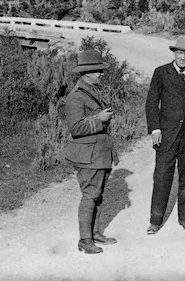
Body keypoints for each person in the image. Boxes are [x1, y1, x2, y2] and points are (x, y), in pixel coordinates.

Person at [145, 35, 185, 234]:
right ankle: (155, 221)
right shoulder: (161, 72)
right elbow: (151, 103)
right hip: (166, 135)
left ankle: (184, 218)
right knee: (162, 177)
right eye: (180, 53)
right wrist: (155, 129)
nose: (182, 58)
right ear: (174, 53)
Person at [62, 49, 118, 255]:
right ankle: (85, 240)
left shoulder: (92, 91)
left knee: (98, 195)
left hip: (99, 154)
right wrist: (99, 120)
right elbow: (75, 128)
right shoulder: (76, 97)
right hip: (89, 156)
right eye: (98, 71)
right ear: (87, 73)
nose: (101, 74)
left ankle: (94, 233)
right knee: (90, 195)